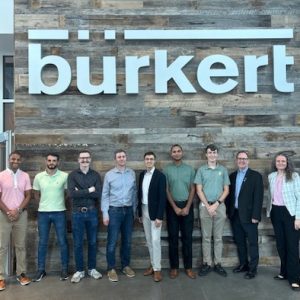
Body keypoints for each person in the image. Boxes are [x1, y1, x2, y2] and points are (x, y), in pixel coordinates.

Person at [226, 151, 264, 279]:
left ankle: (253, 269)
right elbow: (229, 196)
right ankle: (243, 264)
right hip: (235, 215)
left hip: (250, 216)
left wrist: (256, 216)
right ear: (236, 160)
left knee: (252, 243)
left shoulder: (255, 176)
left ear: (248, 161)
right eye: (240, 158)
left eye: (244, 159)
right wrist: (228, 212)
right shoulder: (232, 176)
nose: (242, 161)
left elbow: (258, 198)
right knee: (240, 241)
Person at [101, 149, 137, 282]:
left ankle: (125, 266)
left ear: (126, 158)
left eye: (123, 156)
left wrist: (134, 211)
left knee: (127, 241)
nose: (121, 158)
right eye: (119, 157)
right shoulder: (109, 175)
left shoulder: (131, 173)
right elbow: (104, 195)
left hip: (128, 211)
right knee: (112, 241)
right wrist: (105, 213)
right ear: (115, 159)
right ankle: (111, 268)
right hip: (114, 211)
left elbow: (134, 194)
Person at [194, 144, 230, 277]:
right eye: (210, 152)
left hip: (219, 207)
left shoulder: (223, 170)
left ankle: (218, 264)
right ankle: (207, 263)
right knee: (207, 237)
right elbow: (199, 189)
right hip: (205, 207)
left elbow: (226, 190)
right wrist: (208, 206)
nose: (212, 155)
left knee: (218, 238)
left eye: (214, 152)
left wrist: (216, 204)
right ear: (206, 155)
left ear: (217, 154)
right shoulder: (201, 170)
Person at [33, 153, 69, 282]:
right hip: (43, 213)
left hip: (60, 212)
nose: (51, 162)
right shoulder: (38, 177)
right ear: (45, 161)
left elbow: (67, 193)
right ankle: (41, 270)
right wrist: (43, 204)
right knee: (42, 242)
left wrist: (59, 202)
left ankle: (64, 269)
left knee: (63, 241)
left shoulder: (65, 176)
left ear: (58, 162)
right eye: (49, 160)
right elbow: (36, 193)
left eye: (54, 160)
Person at [267, 152, 300, 291]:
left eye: (283, 161)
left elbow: (299, 197)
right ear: (275, 163)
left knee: (292, 246)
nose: (280, 163)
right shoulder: (271, 176)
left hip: (290, 214)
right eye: (278, 161)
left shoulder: (294, 176)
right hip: (276, 212)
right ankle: (284, 272)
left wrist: (298, 217)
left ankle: (295, 278)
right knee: (281, 245)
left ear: (287, 163)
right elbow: (270, 196)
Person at [68, 150, 102, 283]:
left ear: (90, 159)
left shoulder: (96, 175)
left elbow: (98, 194)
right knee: (77, 243)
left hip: (92, 212)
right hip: (77, 213)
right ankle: (79, 271)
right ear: (78, 160)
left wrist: (80, 191)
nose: (84, 160)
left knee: (93, 242)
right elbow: (71, 194)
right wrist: (89, 190)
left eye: (87, 158)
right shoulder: (72, 175)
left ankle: (92, 269)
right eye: (82, 158)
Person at [0, 151, 32, 291]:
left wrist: (18, 211)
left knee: (20, 246)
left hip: (21, 216)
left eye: (18, 159)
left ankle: (21, 274)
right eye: (13, 158)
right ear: (9, 159)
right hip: (3, 215)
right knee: (2, 247)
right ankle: (0, 277)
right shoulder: (1, 175)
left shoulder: (25, 176)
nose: (16, 161)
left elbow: (28, 196)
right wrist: (8, 211)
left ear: (21, 161)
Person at [163, 144, 196, 279]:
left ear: (182, 153)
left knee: (187, 238)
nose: (176, 153)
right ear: (171, 154)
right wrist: (175, 207)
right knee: (173, 238)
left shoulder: (189, 169)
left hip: (187, 205)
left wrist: (187, 206)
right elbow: (166, 190)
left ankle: (188, 267)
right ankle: (174, 267)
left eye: (178, 151)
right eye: (174, 151)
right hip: (172, 207)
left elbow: (193, 189)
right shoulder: (166, 170)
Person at [138, 151, 166, 282]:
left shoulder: (160, 176)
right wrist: (139, 213)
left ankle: (158, 269)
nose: (149, 161)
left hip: (155, 213)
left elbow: (162, 198)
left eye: (151, 159)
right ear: (144, 161)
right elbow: (140, 194)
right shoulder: (142, 175)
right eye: (147, 159)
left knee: (155, 241)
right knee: (149, 240)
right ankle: (153, 264)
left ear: (154, 161)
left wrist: (160, 216)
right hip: (144, 210)